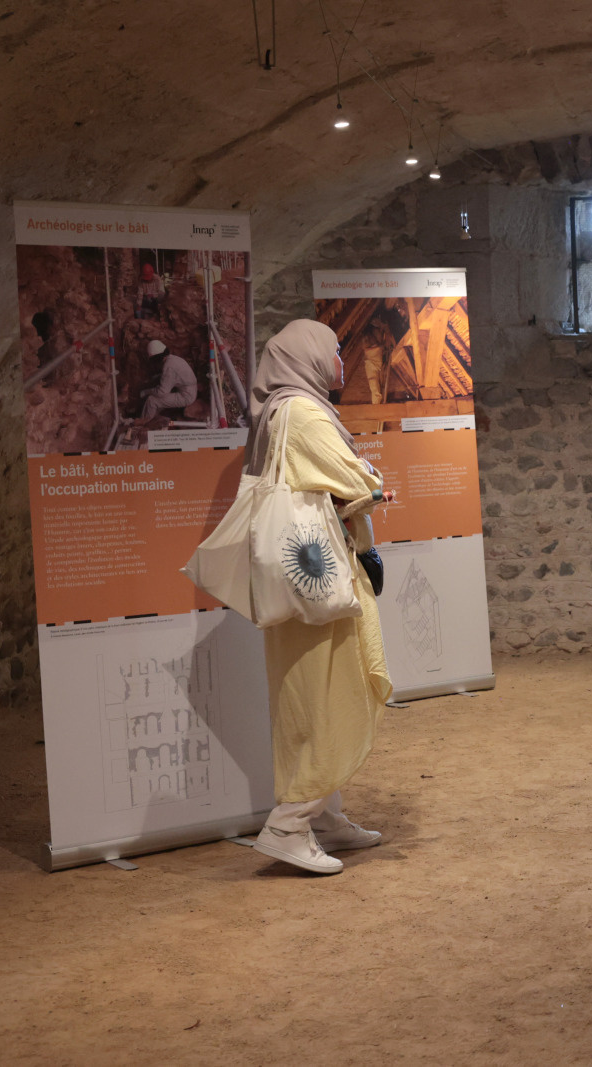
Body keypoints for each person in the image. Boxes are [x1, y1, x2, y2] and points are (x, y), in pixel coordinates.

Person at [246, 319, 396, 876]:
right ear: (308, 355)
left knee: (309, 697)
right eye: (334, 350)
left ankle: (324, 815)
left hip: (303, 582)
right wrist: (372, 483)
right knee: (333, 695)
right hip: (320, 581)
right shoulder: (304, 413)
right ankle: (289, 824)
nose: (341, 359)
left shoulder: (279, 410)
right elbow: (361, 484)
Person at [140, 340, 198, 422]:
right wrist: (158, 377)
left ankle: (143, 424)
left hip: (187, 396)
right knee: (158, 392)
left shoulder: (169, 367)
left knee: (151, 400)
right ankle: (155, 418)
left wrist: (146, 392)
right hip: (188, 388)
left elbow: (161, 392)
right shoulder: (173, 358)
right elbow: (174, 375)